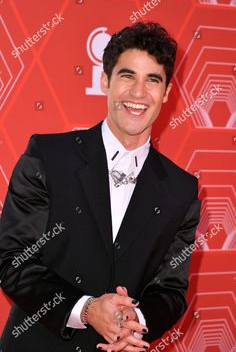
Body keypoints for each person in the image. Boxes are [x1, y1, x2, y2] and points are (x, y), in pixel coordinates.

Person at [0, 21, 201, 352]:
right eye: (127, 76)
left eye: (153, 80)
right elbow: (13, 261)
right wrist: (87, 309)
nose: (138, 93)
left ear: (166, 93)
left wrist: (135, 322)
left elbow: (170, 290)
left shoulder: (181, 189)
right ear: (105, 81)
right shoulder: (49, 156)